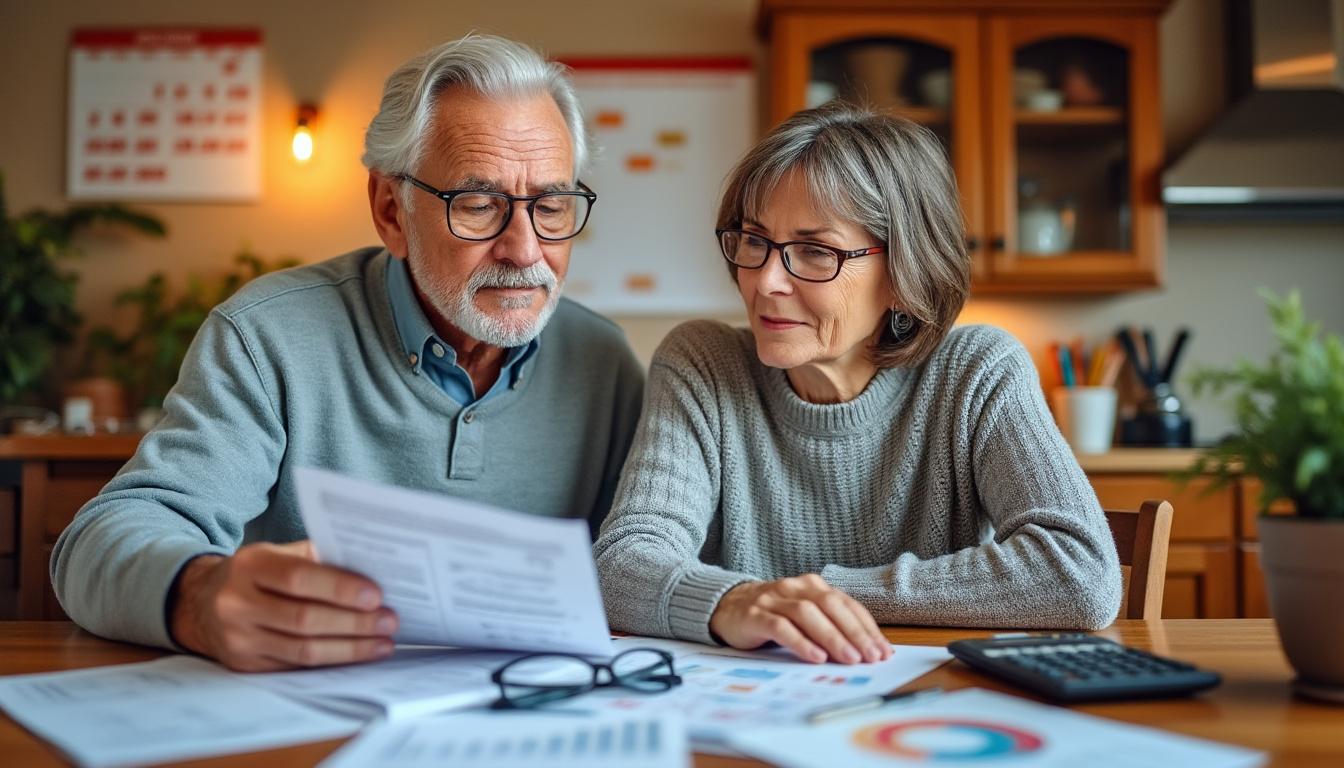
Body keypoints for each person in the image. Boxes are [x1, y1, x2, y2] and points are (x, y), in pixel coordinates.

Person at [51, 34, 645, 671]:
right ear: (391, 210)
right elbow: (98, 539)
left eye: (551, 206)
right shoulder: (268, 336)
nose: (525, 250)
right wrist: (196, 597)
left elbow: (639, 570)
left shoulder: (602, 363)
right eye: (478, 205)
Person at [594, 103, 1121, 666]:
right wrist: (736, 601)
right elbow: (624, 564)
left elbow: (1079, 573)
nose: (766, 281)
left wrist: (818, 594)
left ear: (903, 275)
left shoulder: (977, 371)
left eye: (815, 251)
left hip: (929, 708)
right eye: (754, 240)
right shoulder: (704, 363)